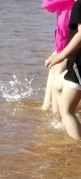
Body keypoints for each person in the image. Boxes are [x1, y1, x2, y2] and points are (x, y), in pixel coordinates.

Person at [47, 0, 81, 139]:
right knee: (57, 85)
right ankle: (66, 124)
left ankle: (77, 147)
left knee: (67, 111)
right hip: (75, 62)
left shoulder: (79, 5)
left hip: (78, 63)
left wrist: (61, 56)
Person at [42, 0, 74, 111]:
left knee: (57, 78)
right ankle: (47, 107)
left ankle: (56, 115)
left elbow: (47, 5)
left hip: (67, 42)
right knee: (53, 70)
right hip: (63, 41)